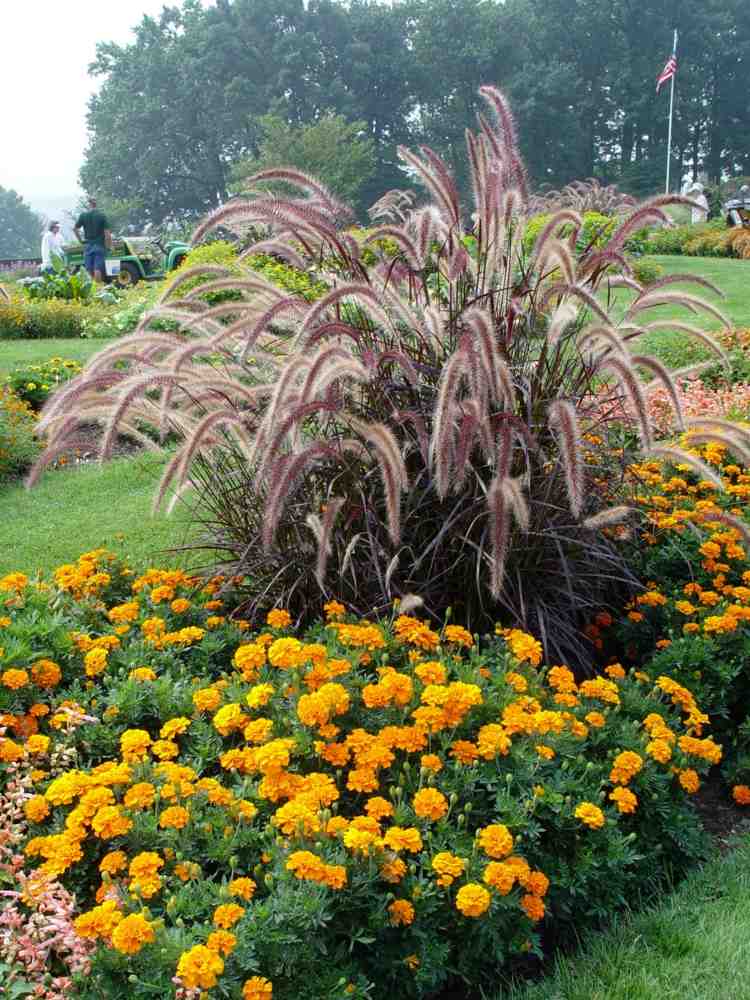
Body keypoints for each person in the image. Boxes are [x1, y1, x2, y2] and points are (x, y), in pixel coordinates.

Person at [73, 197, 112, 282]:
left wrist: (81, 241)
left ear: (89, 204)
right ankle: (98, 288)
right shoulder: (102, 215)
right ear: (96, 204)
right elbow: (108, 235)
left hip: (88, 245)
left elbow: (75, 229)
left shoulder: (83, 215)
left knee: (88, 269)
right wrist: (108, 247)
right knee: (97, 269)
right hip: (99, 245)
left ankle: (91, 289)